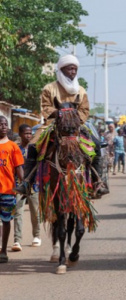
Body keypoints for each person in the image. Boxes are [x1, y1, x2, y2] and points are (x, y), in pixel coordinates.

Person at [14, 54, 108, 197]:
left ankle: (98, 182)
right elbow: (45, 108)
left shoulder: (81, 90)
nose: (73, 72)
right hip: (53, 124)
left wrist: (74, 120)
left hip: (76, 126)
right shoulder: (49, 88)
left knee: (96, 144)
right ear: (62, 69)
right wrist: (60, 115)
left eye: (75, 69)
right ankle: (27, 182)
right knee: (33, 145)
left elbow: (84, 110)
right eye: (70, 69)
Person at [12, 124, 41, 252]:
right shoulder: (16, 149)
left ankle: (36, 236)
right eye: (26, 133)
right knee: (18, 212)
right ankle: (17, 240)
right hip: (19, 185)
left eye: (30, 133)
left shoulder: (35, 149)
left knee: (35, 211)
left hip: (33, 185)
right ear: (20, 134)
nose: (28, 136)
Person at [0, 116, 25, 263]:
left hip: (8, 190)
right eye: (0, 124)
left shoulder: (13, 147)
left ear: (8, 128)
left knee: (6, 220)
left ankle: (3, 251)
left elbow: (19, 168)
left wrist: (24, 183)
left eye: (5, 124)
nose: (3, 126)